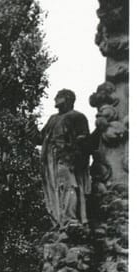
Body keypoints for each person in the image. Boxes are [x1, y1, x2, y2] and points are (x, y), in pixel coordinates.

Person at [37, 88, 92, 226]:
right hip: (50, 161)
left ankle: (70, 218)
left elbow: (84, 139)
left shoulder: (77, 116)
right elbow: (40, 138)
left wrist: (73, 155)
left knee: (69, 185)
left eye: (58, 96)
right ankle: (58, 221)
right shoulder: (53, 119)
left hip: (66, 158)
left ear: (66, 98)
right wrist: (29, 128)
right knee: (54, 189)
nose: (54, 99)